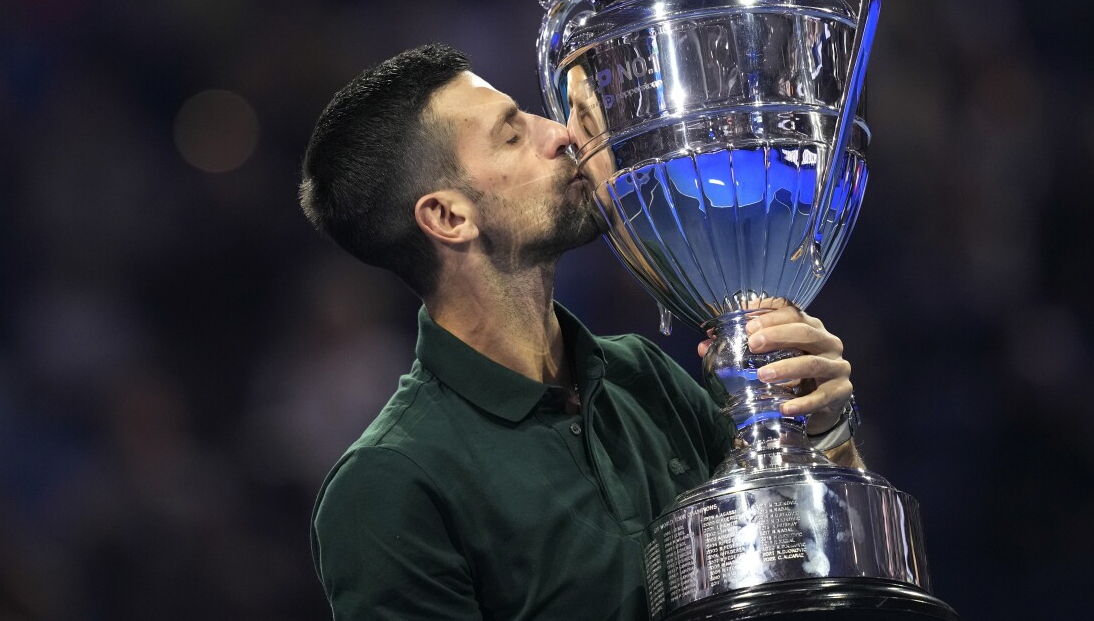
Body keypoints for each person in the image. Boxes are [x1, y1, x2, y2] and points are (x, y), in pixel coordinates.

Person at [300, 44, 858, 620]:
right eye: (512, 136)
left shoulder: (643, 377)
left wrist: (821, 435)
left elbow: (812, 577)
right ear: (448, 217)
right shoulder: (389, 486)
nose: (561, 134)